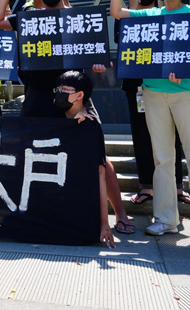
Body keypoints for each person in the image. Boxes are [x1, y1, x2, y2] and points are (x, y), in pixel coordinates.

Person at [0, 0, 135, 236]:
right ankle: (28, 211)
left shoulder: (79, 18)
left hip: (74, 99)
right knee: (27, 152)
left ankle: (121, 214)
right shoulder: (30, 18)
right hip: (37, 96)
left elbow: (95, 54)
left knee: (98, 157)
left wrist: (98, 64)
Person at [110, 0, 190, 244]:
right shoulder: (149, 15)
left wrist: (186, 68)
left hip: (187, 93)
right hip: (153, 93)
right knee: (162, 159)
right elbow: (117, 13)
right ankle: (165, 220)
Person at [115, 0, 189, 207]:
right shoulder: (127, 14)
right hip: (136, 85)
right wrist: (133, 8)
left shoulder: (166, 13)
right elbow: (121, 37)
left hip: (166, 83)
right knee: (141, 134)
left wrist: (159, 5)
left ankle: (177, 186)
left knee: (173, 135)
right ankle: (146, 185)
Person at [50, 70, 115, 249]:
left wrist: (104, 224)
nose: (60, 93)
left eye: (65, 90)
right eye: (58, 89)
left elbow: (100, 175)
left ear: (80, 95)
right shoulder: (52, 116)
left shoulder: (91, 128)